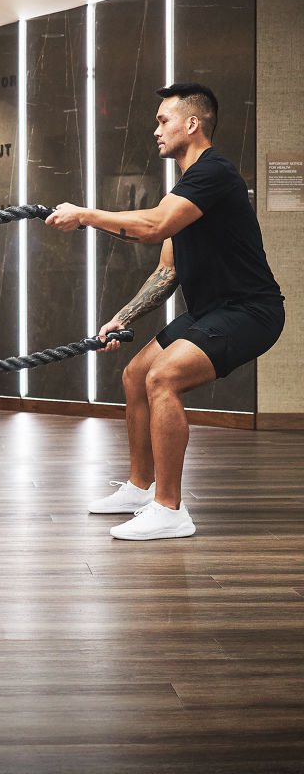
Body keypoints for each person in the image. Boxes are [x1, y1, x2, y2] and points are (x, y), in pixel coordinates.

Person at [46, 83, 284, 541]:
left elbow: (153, 227)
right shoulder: (186, 186)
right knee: (137, 374)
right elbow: (167, 271)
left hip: (251, 312)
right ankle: (140, 488)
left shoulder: (214, 172)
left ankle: (170, 509)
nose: (155, 130)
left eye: (163, 120)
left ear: (192, 124)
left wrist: (87, 214)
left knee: (163, 378)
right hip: (211, 310)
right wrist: (124, 317)